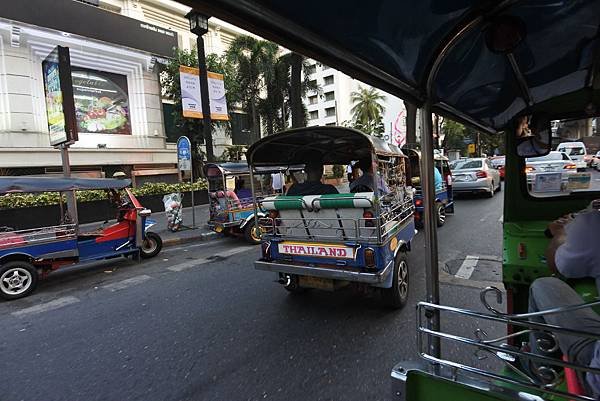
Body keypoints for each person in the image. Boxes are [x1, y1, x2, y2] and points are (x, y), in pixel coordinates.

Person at [526, 207, 600, 397]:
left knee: (543, 285)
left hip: (595, 373)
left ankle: (543, 373)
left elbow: (558, 264)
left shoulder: (592, 223)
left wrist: (560, 232)